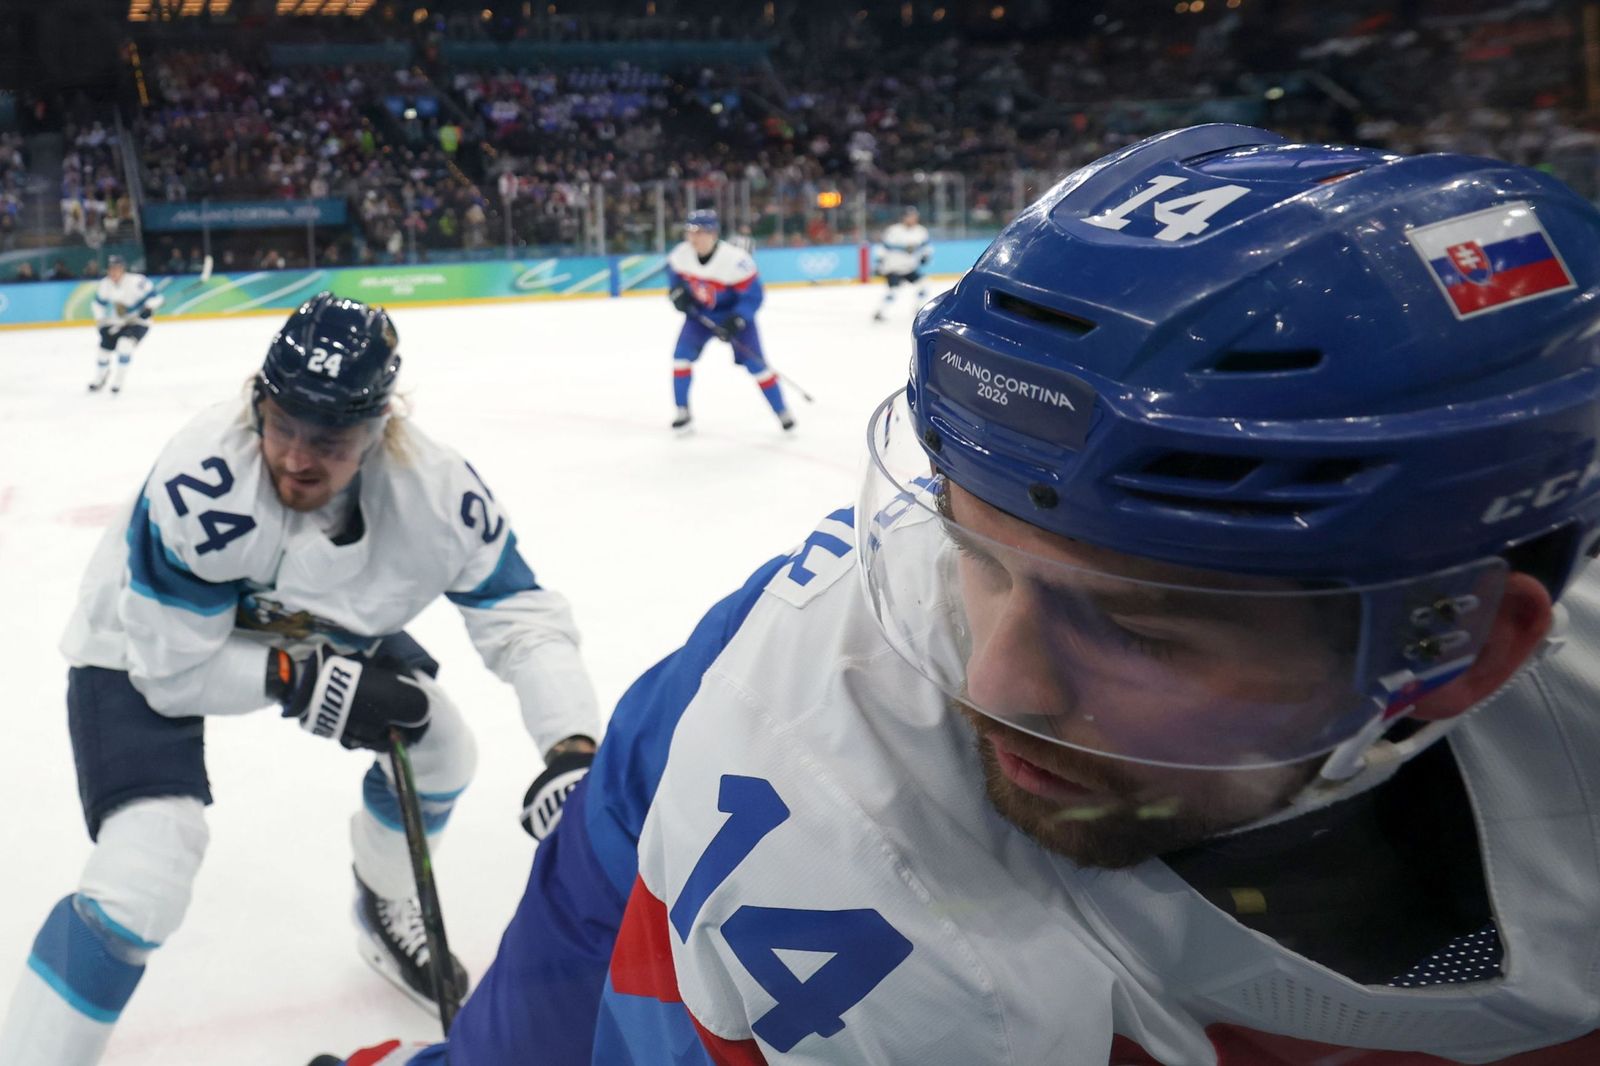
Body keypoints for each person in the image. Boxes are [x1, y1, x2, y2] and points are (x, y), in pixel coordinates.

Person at [336, 124, 1600, 1064]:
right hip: (686, 751)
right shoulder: (846, 842)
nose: (990, 685)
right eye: (972, 554)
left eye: (1139, 625)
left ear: (1460, 643)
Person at [0, 293, 602, 1066]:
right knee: (145, 873)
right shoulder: (204, 479)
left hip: (305, 616)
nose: (294, 457)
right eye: (282, 424)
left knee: (444, 749)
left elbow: (523, 618)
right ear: (258, 398)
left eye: (329, 438)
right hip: (146, 638)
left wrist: (572, 746)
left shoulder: (437, 494)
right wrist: (304, 679)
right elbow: (173, 676)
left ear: (381, 427)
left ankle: (384, 901)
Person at [664, 209, 793, 433]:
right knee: (680, 358)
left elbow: (753, 296)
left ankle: (782, 411)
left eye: (699, 232)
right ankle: (682, 410)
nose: (693, 237)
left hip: (733, 315)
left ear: (713, 234)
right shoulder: (681, 254)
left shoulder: (736, 260)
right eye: (690, 232)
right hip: (700, 316)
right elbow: (674, 277)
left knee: (757, 366)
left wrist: (738, 319)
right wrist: (677, 293)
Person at [88, 254, 163, 395]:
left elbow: (157, 298)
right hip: (117, 322)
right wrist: (101, 323)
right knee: (103, 350)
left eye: (117, 268)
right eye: (111, 268)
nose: (113, 272)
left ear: (123, 269)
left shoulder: (137, 281)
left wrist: (148, 308)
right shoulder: (105, 284)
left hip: (138, 322)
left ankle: (118, 381)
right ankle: (99, 378)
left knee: (125, 345)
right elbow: (98, 305)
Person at [871, 205, 932, 322]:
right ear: (904, 217)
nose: (912, 219)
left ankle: (918, 309)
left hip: (909, 268)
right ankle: (880, 312)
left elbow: (926, 247)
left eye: (914, 216)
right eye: (909, 216)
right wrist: (879, 263)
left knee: (924, 285)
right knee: (893, 291)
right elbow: (882, 248)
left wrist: (925, 256)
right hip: (893, 267)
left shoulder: (921, 231)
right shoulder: (894, 231)